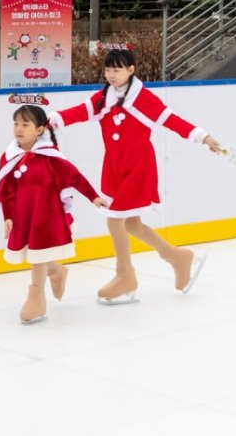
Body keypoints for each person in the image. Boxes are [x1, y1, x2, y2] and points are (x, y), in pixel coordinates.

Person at [48, 49, 221, 304]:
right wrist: (51, 119)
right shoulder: (103, 98)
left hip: (137, 167)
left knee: (115, 220)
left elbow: (171, 120)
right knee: (131, 224)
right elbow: (78, 112)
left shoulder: (143, 98)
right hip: (114, 167)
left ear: (131, 70)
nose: (111, 75)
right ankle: (176, 257)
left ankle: (125, 274)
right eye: (108, 70)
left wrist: (202, 136)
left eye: (116, 69)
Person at [0, 104, 107, 323]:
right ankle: (56, 271)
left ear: (39, 130)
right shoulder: (10, 156)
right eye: (16, 123)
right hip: (23, 215)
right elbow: (6, 191)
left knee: (37, 256)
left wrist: (93, 196)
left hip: (46, 214)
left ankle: (36, 297)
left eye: (25, 124)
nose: (19, 128)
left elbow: (74, 176)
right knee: (35, 255)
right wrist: (8, 216)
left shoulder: (50, 156)